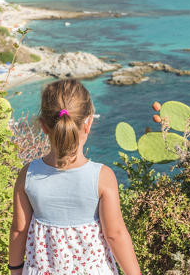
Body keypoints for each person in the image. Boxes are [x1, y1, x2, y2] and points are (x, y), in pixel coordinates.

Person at [9, 79, 141, 275]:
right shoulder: (102, 177)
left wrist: (15, 270)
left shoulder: (28, 174)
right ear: (88, 123)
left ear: (43, 126)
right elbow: (115, 235)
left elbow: (19, 230)